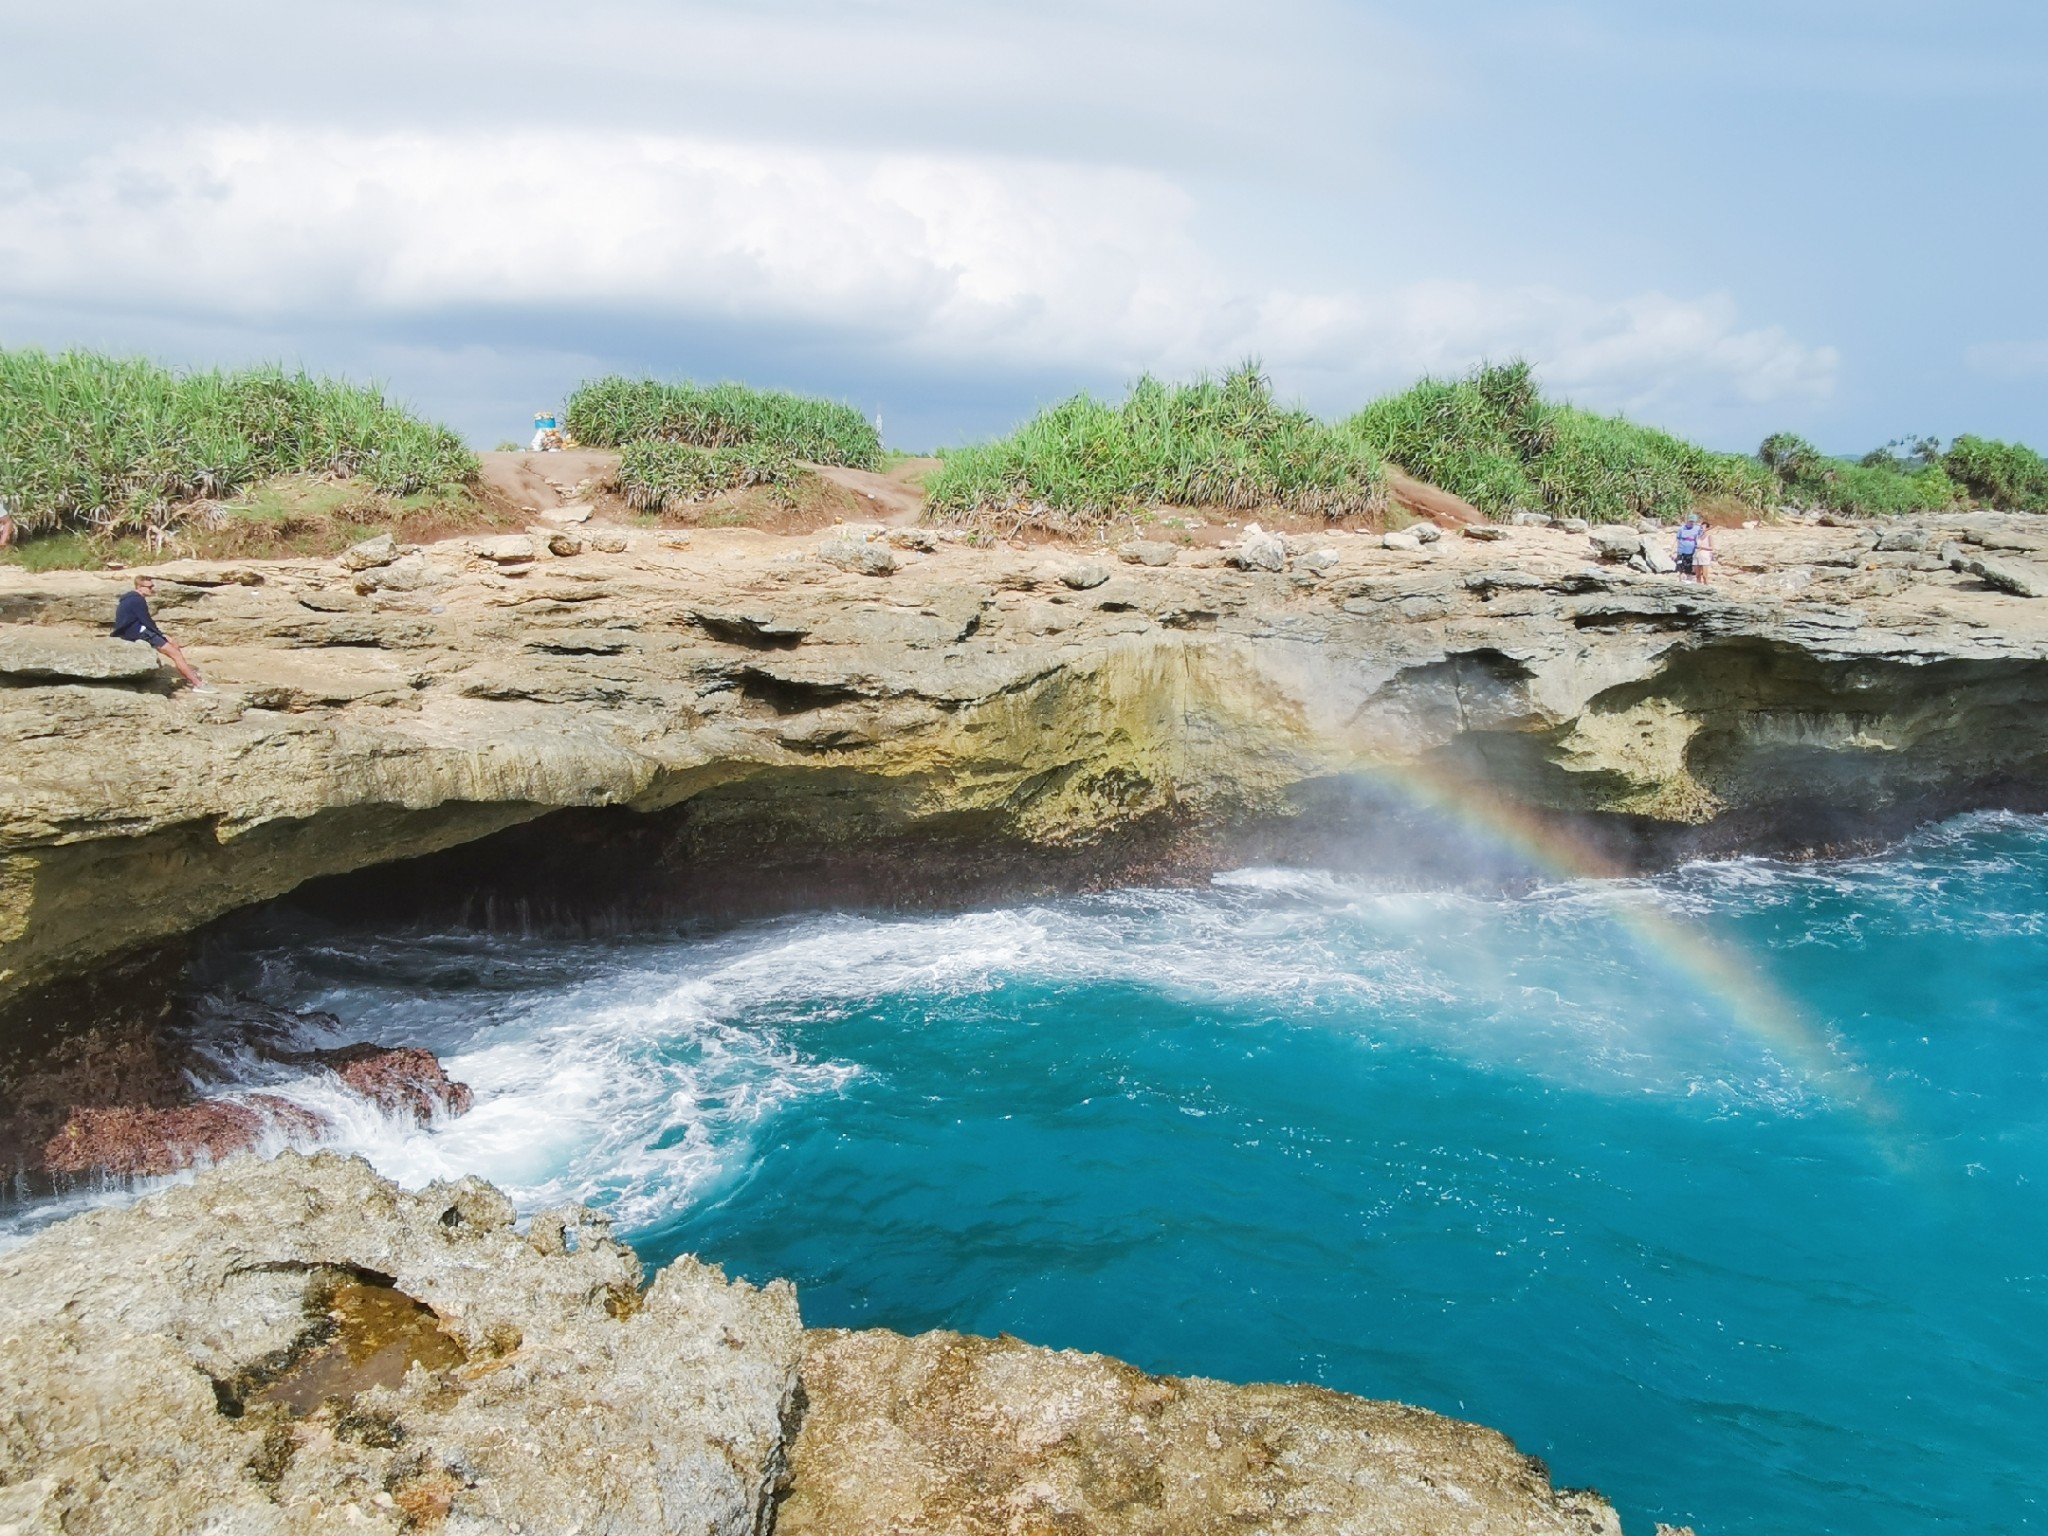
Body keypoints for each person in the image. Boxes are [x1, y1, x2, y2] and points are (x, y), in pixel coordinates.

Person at [112, 575, 210, 691]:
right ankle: (197, 684)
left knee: (174, 645)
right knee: (175, 654)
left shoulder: (130, 598)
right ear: (139, 587)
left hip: (136, 630)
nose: (152, 589)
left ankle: (188, 673)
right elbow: (146, 620)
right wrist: (161, 635)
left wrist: (162, 635)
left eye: (152, 586)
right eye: (149, 587)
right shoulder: (137, 600)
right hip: (138, 632)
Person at [1673, 514, 1702, 581]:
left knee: (1689, 569)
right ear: (1687, 521)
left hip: (1691, 553)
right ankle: (1681, 582)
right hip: (1681, 552)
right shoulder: (1681, 529)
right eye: (1691, 521)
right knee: (1681, 569)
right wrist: (1672, 551)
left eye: (1693, 522)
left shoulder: (1697, 528)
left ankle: (1688, 583)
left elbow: (1703, 536)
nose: (1692, 523)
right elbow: (1677, 540)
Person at [1692, 521, 1716, 585]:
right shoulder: (1699, 536)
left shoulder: (1709, 536)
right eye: (1701, 527)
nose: (1702, 528)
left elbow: (1712, 547)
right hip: (1697, 555)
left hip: (1705, 556)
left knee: (1705, 576)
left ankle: (1706, 588)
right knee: (1697, 575)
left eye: (1703, 527)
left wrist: (1702, 547)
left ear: (1707, 528)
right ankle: (1699, 588)